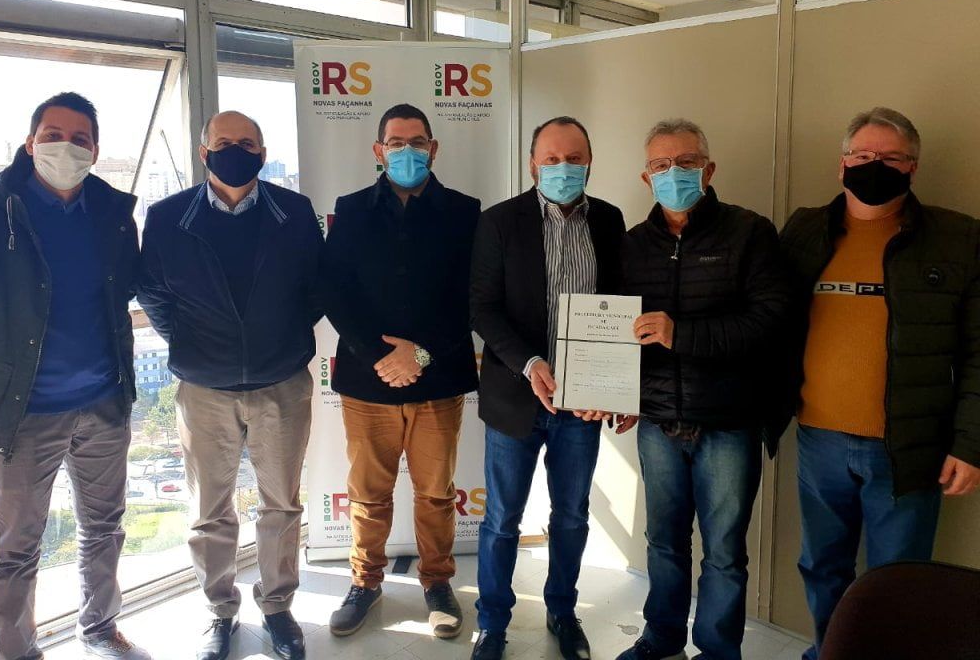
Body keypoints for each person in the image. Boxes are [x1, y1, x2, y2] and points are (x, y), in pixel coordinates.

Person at [779, 107, 980, 660]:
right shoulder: (804, 231)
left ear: (913, 167)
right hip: (818, 441)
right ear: (842, 164)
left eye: (891, 158)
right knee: (822, 568)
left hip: (907, 448)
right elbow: (768, 317)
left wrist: (970, 444)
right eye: (863, 155)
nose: (875, 166)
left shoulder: (958, 238)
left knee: (899, 585)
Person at [0, 92, 149, 660]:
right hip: (24, 413)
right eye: (53, 135)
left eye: (80, 138)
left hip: (104, 403)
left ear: (95, 150)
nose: (66, 147)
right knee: (16, 545)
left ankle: (100, 629)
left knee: (105, 527)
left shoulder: (113, 215)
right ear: (30, 143)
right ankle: (17, 651)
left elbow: (121, 294)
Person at [138, 111, 323, 660]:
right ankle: (219, 610)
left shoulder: (294, 211)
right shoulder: (168, 217)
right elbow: (154, 294)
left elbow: (316, 287)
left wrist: (283, 338)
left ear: (262, 153)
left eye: (247, 143)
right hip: (204, 388)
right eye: (224, 142)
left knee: (281, 504)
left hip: (281, 382)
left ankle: (278, 606)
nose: (235, 151)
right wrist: (192, 343)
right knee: (209, 510)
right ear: (204, 153)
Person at [614, 119, 789, 660]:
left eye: (686, 162)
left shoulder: (749, 232)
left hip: (729, 423)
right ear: (646, 177)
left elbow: (770, 320)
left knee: (724, 552)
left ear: (708, 170)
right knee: (663, 544)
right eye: (661, 165)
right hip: (657, 422)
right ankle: (661, 638)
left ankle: (716, 650)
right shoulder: (632, 245)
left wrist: (681, 334)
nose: (674, 173)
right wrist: (619, 393)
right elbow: (618, 333)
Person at [469, 116, 627, 660]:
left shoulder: (609, 220)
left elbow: (619, 306)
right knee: (501, 519)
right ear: (533, 163)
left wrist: (615, 386)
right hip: (516, 397)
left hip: (583, 403)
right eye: (552, 159)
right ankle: (492, 623)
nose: (564, 167)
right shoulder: (499, 222)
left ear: (590, 162)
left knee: (572, 516)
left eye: (574, 158)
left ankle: (563, 610)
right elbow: (482, 308)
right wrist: (530, 363)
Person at [322, 103, 481, 639]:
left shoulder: (465, 212)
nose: (407, 151)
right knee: (368, 494)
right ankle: (364, 583)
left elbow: (473, 295)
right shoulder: (351, 209)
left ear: (433, 149)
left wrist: (422, 352)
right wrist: (379, 355)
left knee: (436, 493)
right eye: (396, 142)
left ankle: (437, 583)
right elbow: (334, 290)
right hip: (368, 380)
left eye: (417, 142)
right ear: (379, 150)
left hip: (439, 378)